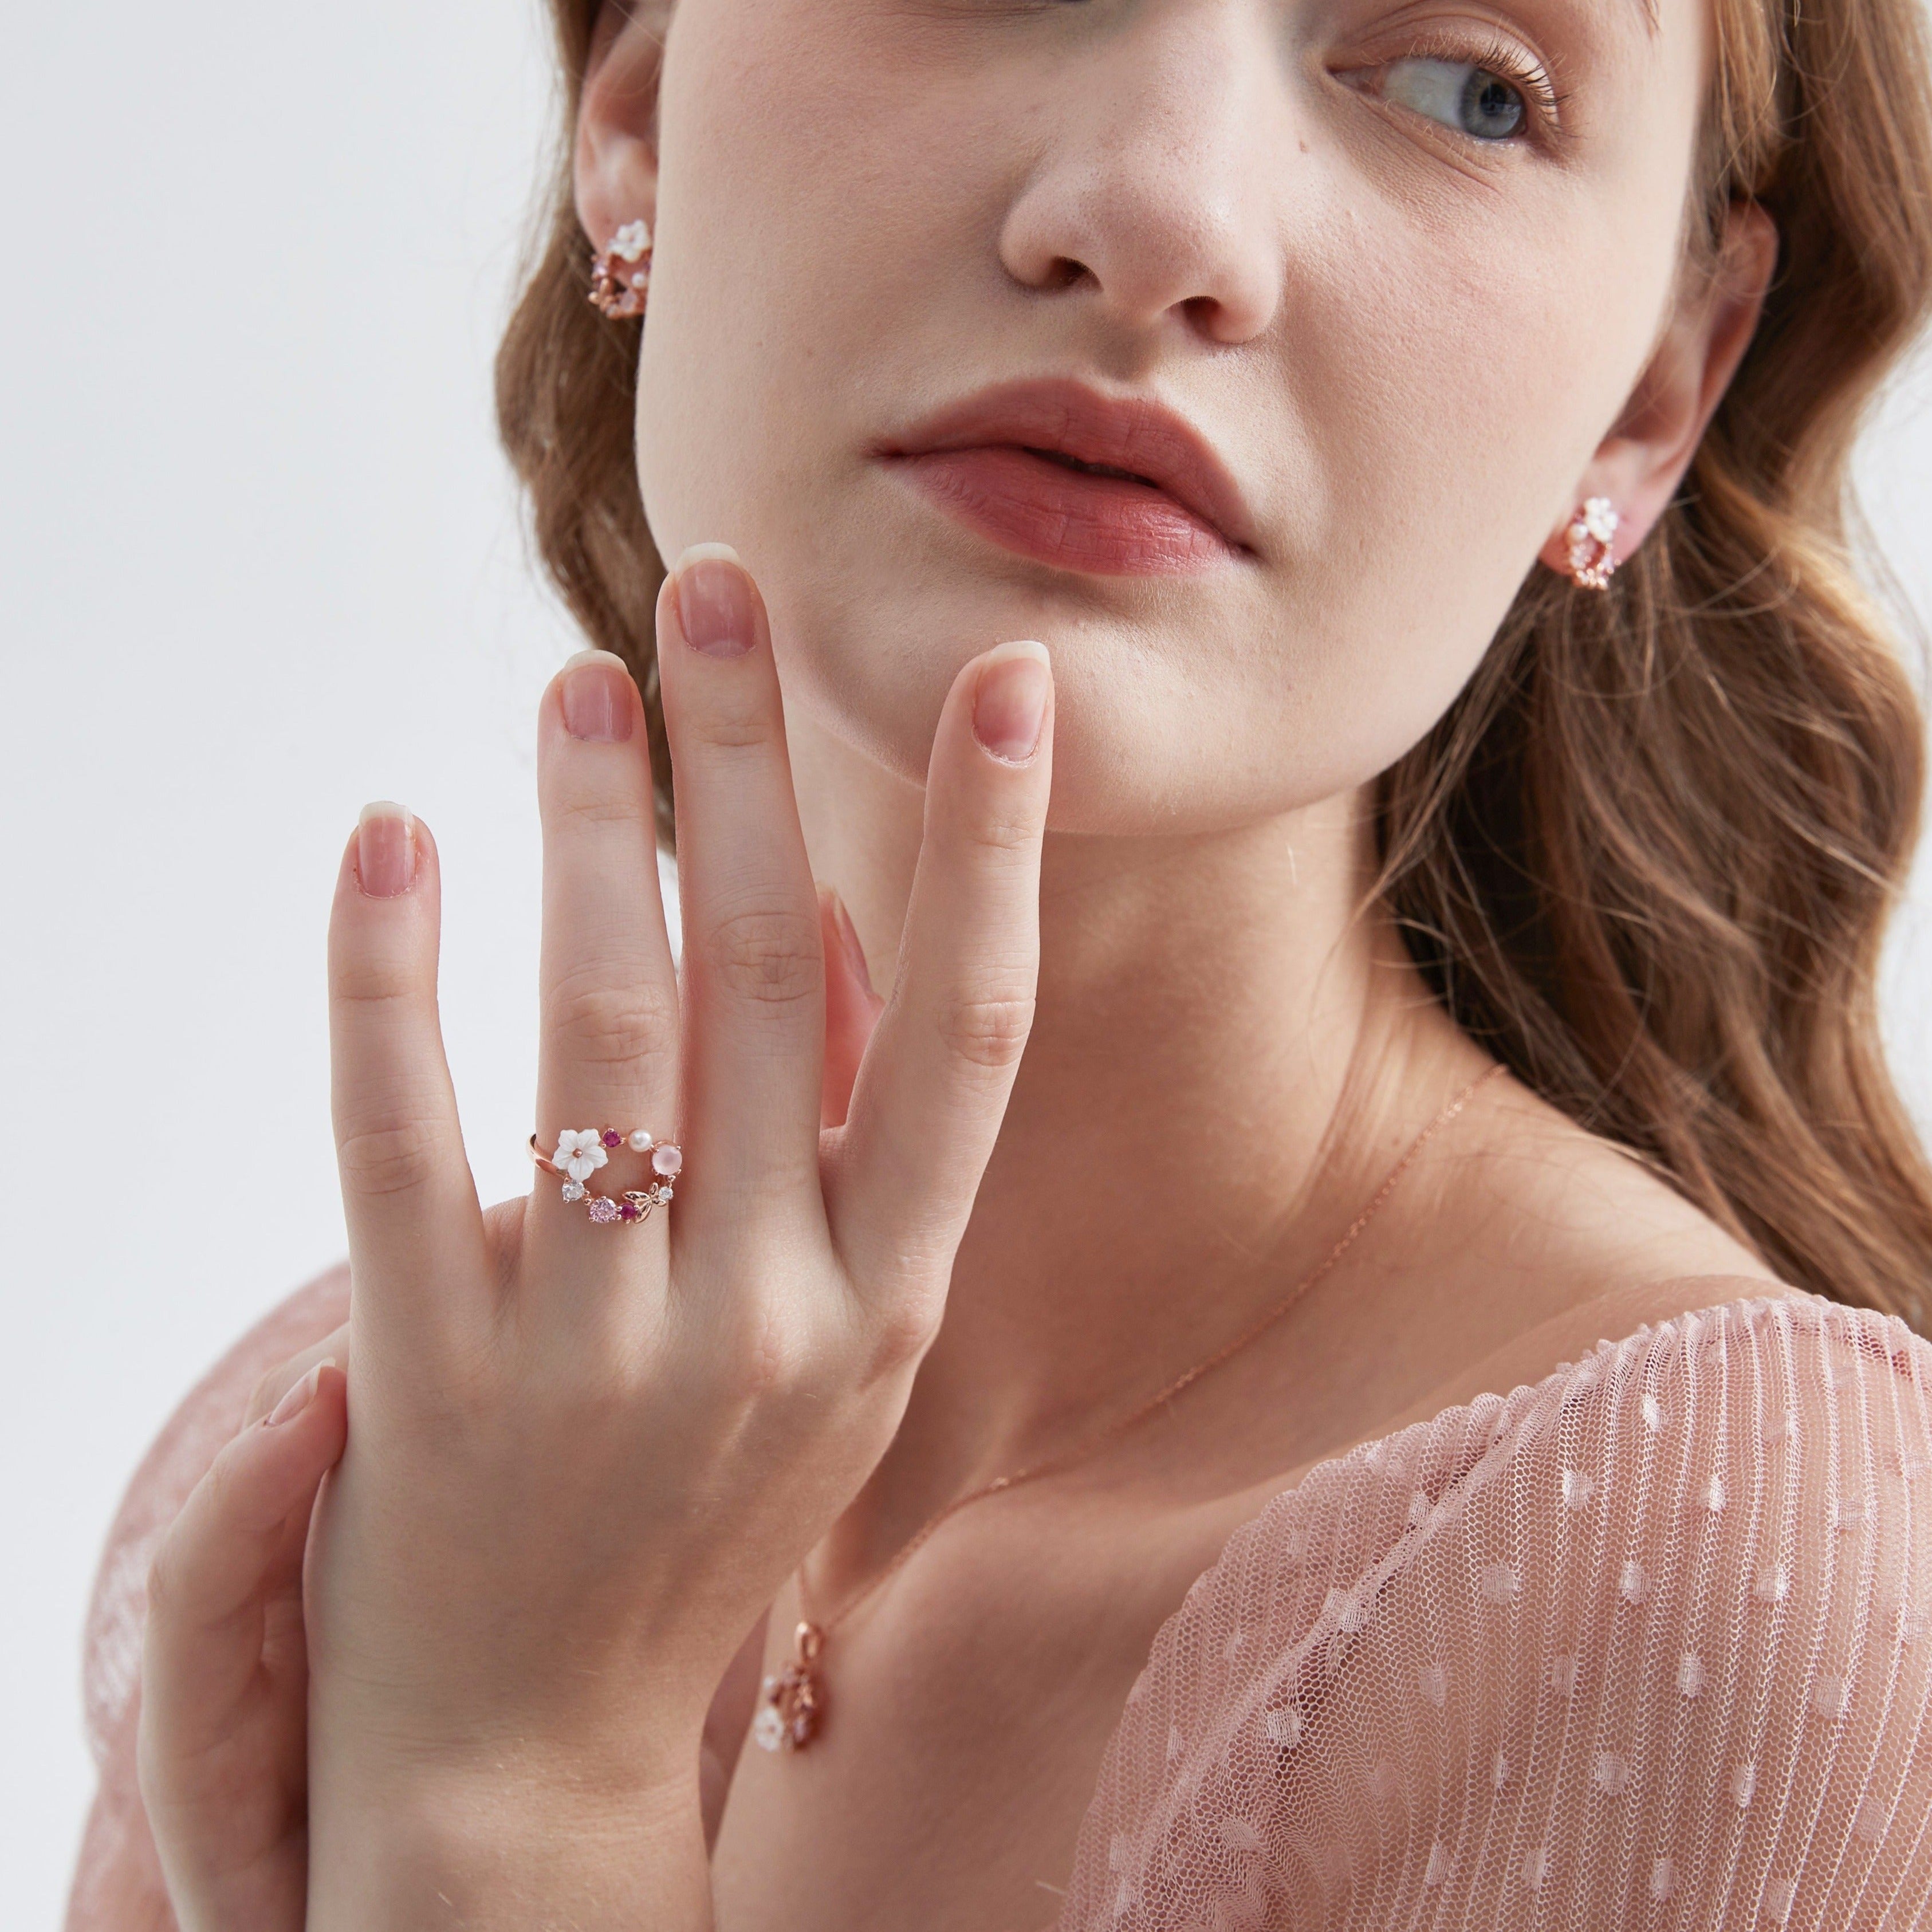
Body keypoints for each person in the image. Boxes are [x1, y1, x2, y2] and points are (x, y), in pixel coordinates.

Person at [64, 1, 1932, 1926]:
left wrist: (509, 1792)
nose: (1160, 216)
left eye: (1471, 88)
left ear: (1658, 390)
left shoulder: (1733, 1597)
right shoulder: (347, 1484)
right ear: (636, 104)